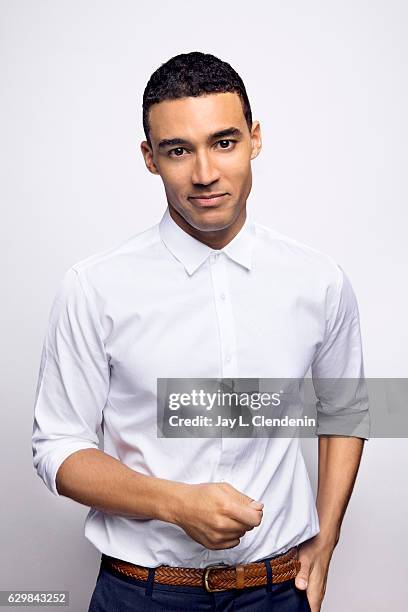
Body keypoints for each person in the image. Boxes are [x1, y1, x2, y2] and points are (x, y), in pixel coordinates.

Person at [31, 51, 370, 612]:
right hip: (140, 592)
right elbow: (57, 447)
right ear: (149, 157)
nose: (205, 173)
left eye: (225, 142)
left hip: (279, 591)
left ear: (255, 139)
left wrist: (327, 537)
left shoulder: (320, 279)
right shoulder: (93, 286)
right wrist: (174, 503)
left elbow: (351, 409)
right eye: (178, 150)